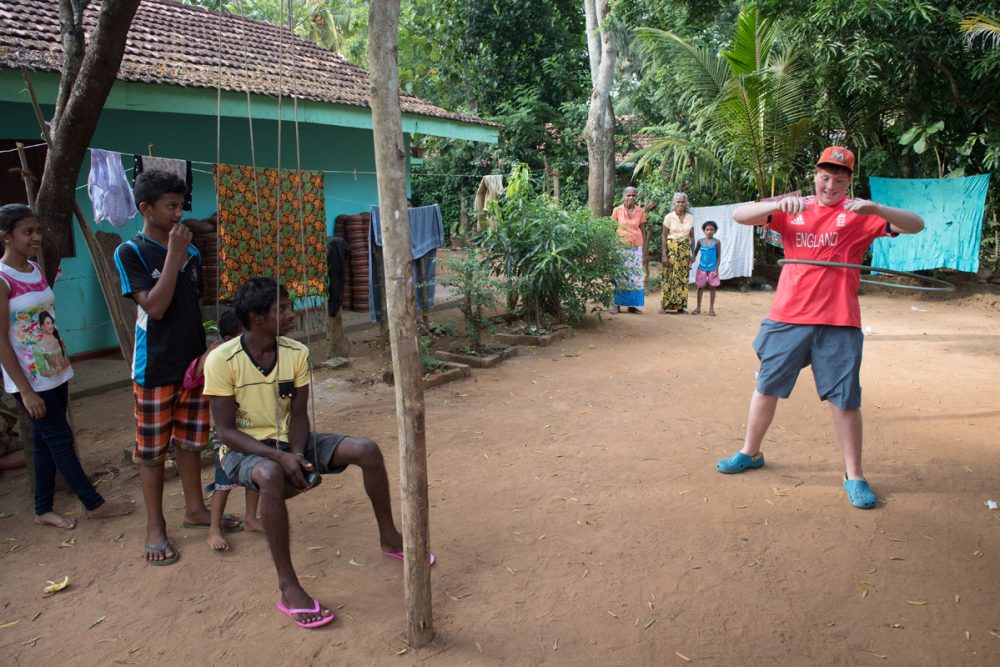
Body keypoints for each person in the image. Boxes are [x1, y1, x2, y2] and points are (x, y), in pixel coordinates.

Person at [203, 277, 431, 629]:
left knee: (366, 450)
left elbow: (298, 414)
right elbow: (227, 432)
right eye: (281, 310)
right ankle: (289, 587)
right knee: (269, 474)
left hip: (288, 440)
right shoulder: (221, 360)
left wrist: (297, 453)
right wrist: (281, 459)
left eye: (288, 306)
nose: (292, 314)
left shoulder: (296, 353)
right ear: (256, 318)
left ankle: (390, 537)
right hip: (240, 448)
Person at [714, 146, 924, 509]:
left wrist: (876, 209)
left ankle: (854, 475)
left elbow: (916, 224)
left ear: (848, 181)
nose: (830, 185)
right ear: (815, 177)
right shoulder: (794, 208)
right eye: (825, 178)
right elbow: (739, 215)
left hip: (839, 320)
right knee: (767, 386)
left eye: (838, 179)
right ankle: (750, 452)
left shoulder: (859, 213)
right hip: (787, 316)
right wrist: (776, 206)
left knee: (845, 401)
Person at [114, 171, 232, 565]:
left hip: (192, 364)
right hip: (154, 368)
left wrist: (205, 349)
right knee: (151, 453)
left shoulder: (193, 253)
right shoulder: (130, 252)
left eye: (181, 205)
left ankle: (196, 509)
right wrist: (174, 256)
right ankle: (155, 527)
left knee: (191, 443)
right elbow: (156, 307)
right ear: (145, 209)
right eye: (170, 206)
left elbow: (190, 307)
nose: (178, 213)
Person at [0, 204, 135, 528]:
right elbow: (2, 341)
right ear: (6, 237)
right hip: (31, 378)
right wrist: (26, 390)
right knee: (59, 438)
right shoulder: (2, 279)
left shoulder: (33, 269)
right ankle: (94, 503)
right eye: (27, 232)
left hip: (55, 368)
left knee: (45, 441)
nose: (36, 237)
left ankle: (42, 508)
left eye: (37, 230)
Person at [197, 309, 262, 551]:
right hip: (229, 434)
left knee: (254, 476)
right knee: (223, 483)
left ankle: (251, 519)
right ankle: (214, 528)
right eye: (242, 335)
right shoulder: (219, 362)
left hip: (253, 429)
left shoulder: (254, 358)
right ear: (228, 340)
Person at [610, 187, 649, 314]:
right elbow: (611, 229)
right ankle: (616, 305)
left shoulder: (640, 212)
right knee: (620, 275)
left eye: (633, 195)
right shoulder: (617, 210)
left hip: (636, 248)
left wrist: (644, 251)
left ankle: (632, 306)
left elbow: (642, 231)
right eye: (628, 195)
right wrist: (611, 248)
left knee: (635, 277)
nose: (631, 197)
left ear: (636, 197)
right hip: (620, 247)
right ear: (623, 196)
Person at [660, 192, 695, 313]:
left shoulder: (690, 217)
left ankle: (680, 306)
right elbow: (664, 236)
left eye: (683, 202)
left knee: (682, 278)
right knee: (668, 276)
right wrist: (664, 254)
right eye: (678, 202)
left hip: (684, 250)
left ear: (686, 203)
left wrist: (693, 254)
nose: (680, 204)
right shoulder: (669, 217)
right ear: (674, 203)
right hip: (671, 249)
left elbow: (692, 237)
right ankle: (665, 306)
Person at [690, 221, 721, 316]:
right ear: (704, 231)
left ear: (715, 231)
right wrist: (691, 261)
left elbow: (718, 256)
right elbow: (694, 253)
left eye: (712, 229)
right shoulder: (700, 241)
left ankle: (711, 309)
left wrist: (716, 270)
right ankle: (698, 308)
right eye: (707, 229)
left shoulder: (717, 242)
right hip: (701, 268)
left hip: (712, 269)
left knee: (713, 287)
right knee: (700, 287)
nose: (709, 231)